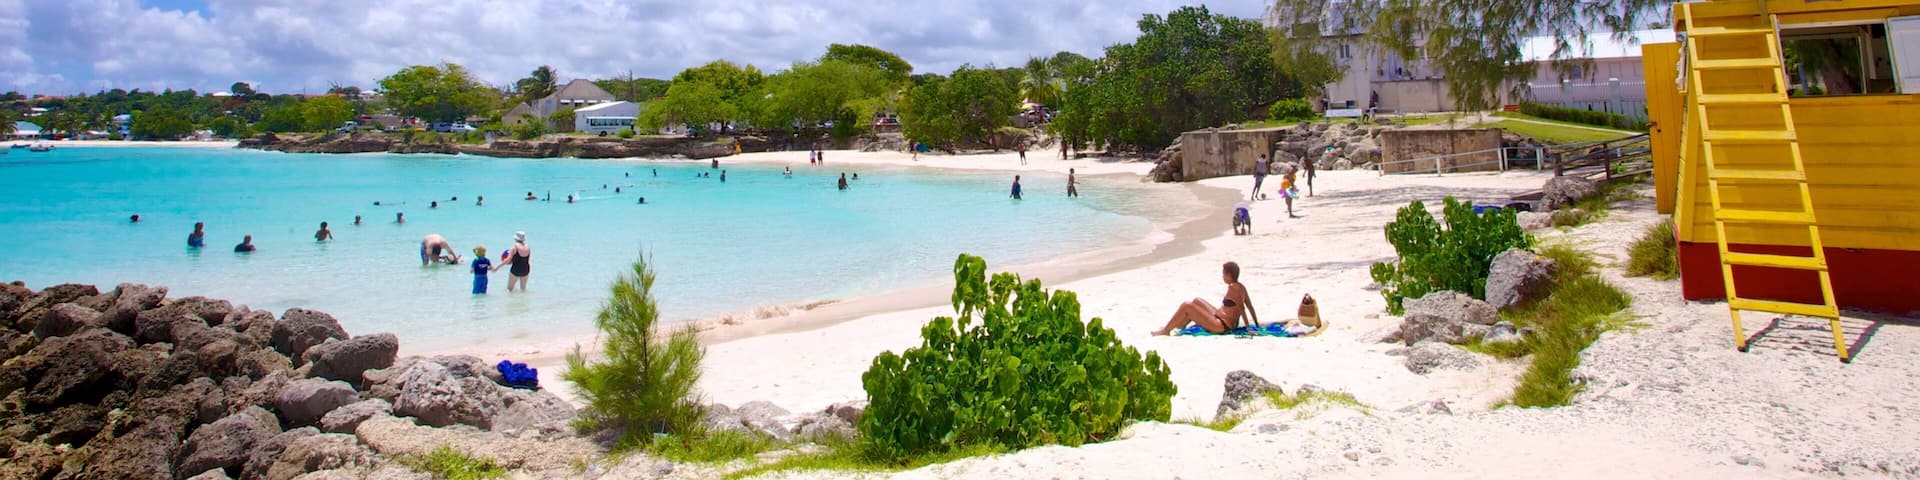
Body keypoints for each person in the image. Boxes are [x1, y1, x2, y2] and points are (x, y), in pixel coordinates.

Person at [1152, 262, 1259, 335]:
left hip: (1222, 325)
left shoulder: (1233, 288)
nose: (1222, 277)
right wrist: (1257, 324)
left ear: (1229, 275)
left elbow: (1242, 308)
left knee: (1187, 305)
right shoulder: (1241, 286)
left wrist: (1248, 328)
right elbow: (1250, 307)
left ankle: (1166, 330)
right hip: (1220, 317)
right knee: (1197, 300)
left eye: (1223, 274)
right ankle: (1180, 325)